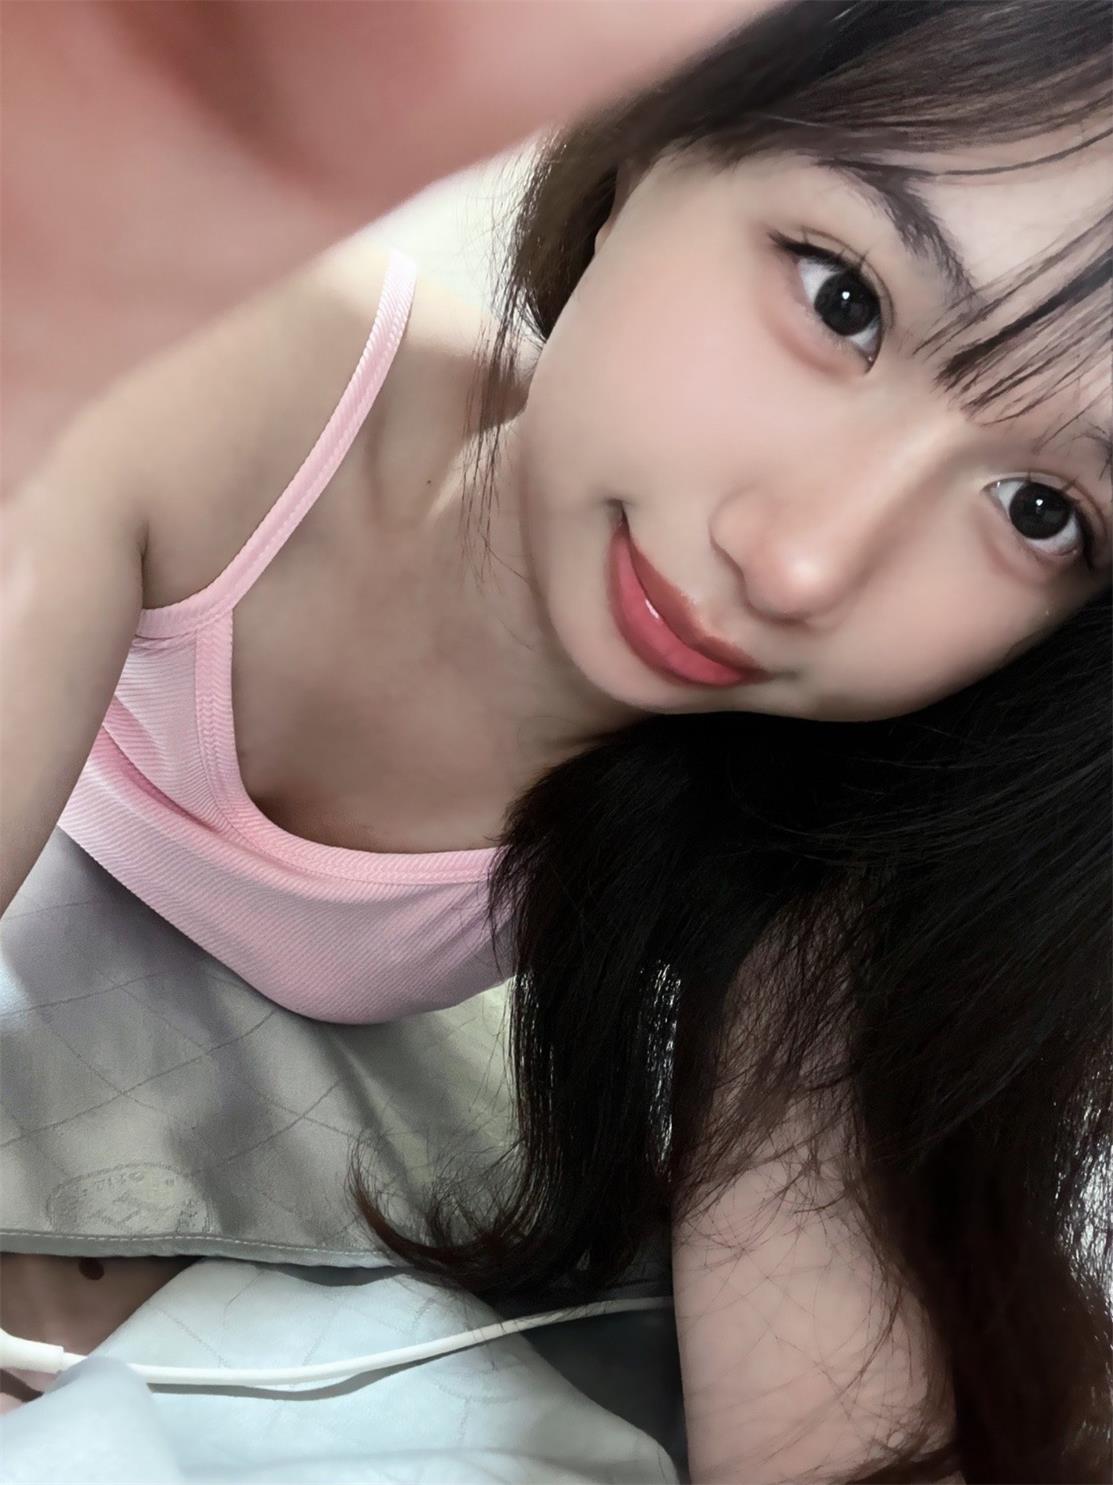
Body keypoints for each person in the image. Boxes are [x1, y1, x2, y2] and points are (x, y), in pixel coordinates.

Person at [2, 1, 1110, 1479]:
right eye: (841, 298)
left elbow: (839, 1439)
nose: (799, 563)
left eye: (1040, 510)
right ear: (655, 130)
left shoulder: (824, 826)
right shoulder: (218, 371)